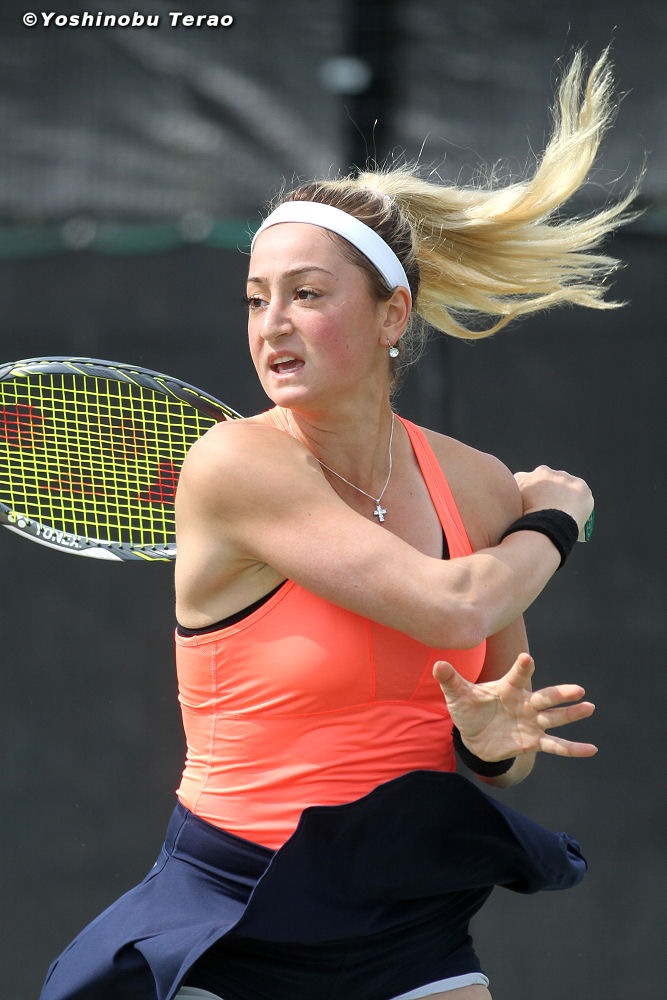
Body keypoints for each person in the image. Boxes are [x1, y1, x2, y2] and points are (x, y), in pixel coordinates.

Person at [40, 50, 638, 1000]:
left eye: (307, 295)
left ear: (391, 315)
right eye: (255, 299)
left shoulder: (477, 487)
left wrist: (490, 741)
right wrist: (559, 516)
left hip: (408, 921)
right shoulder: (234, 463)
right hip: (235, 911)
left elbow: (502, 746)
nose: (271, 324)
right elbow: (456, 607)